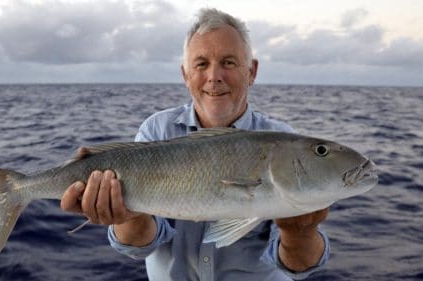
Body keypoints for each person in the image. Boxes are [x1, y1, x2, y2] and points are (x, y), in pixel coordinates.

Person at [61, 8, 329, 280]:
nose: (214, 76)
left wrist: (300, 232)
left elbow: (299, 264)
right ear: (185, 75)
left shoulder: (284, 142)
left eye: (229, 62)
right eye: (201, 64)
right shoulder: (157, 130)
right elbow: (140, 245)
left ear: (252, 71)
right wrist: (127, 215)